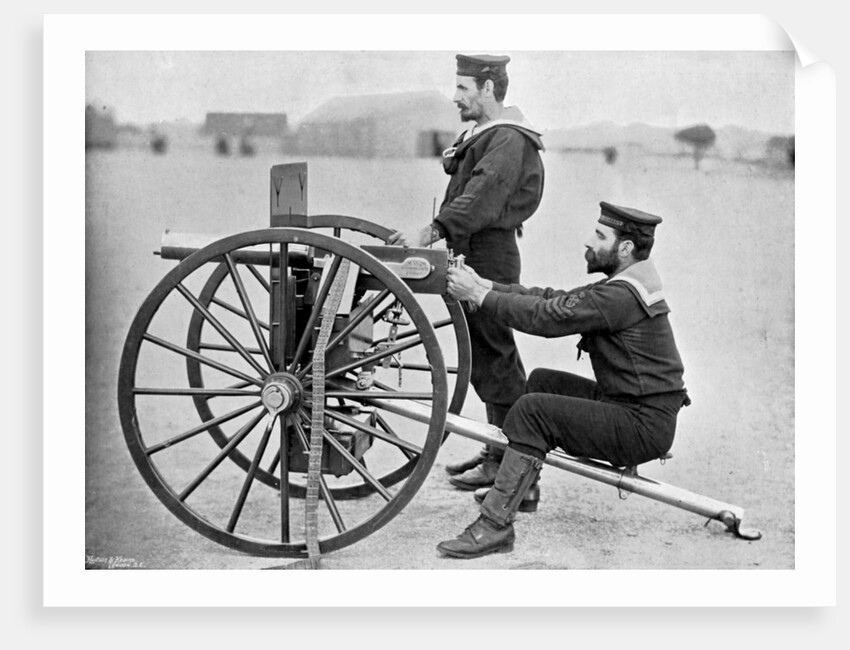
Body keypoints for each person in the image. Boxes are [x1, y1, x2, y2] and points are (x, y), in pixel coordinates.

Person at [436, 201, 690, 559]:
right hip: (636, 409)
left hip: (641, 426)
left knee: (533, 411)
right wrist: (487, 285)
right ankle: (523, 490)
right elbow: (553, 299)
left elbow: (547, 317)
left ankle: (494, 526)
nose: (589, 241)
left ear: (625, 248)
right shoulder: (627, 285)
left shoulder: (619, 296)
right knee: (542, 381)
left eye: (600, 236)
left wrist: (480, 297)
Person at [388, 53, 545, 491]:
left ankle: (515, 471)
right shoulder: (487, 135)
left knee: (495, 356)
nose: (455, 97)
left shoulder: (508, 139)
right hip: (473, 248)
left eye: (463, 88)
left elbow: (481, 195)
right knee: (484, 356)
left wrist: (431, 231)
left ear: (488, 88)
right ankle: (500, 451)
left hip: (489, 254)